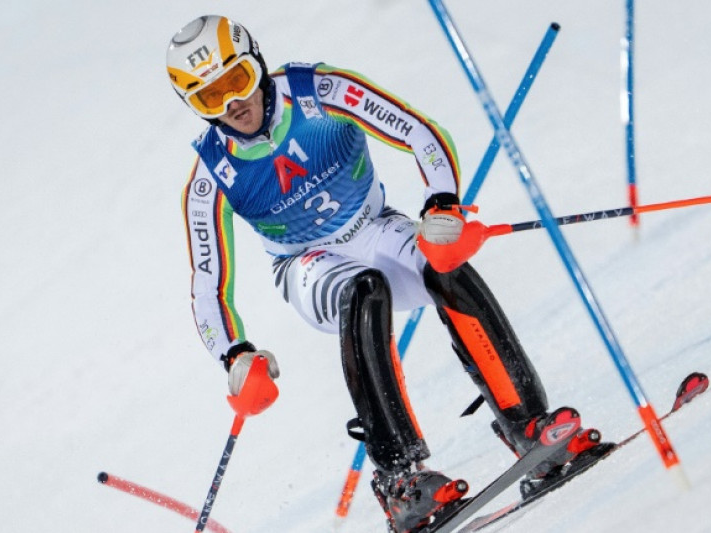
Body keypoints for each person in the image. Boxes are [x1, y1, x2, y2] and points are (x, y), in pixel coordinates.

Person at [167, 15, 604, 533]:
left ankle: (529, 426)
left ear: (256, 62)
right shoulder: (210, 177)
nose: (232, 105)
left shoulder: (320, 92)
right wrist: (234, 356)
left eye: (236, 81)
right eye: (209, 99)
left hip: (373, 227)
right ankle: (401, 480)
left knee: (446, 266)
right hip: (307, 264)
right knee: (363, 290)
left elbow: (420, 133)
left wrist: (443, 206)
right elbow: (206, 283)